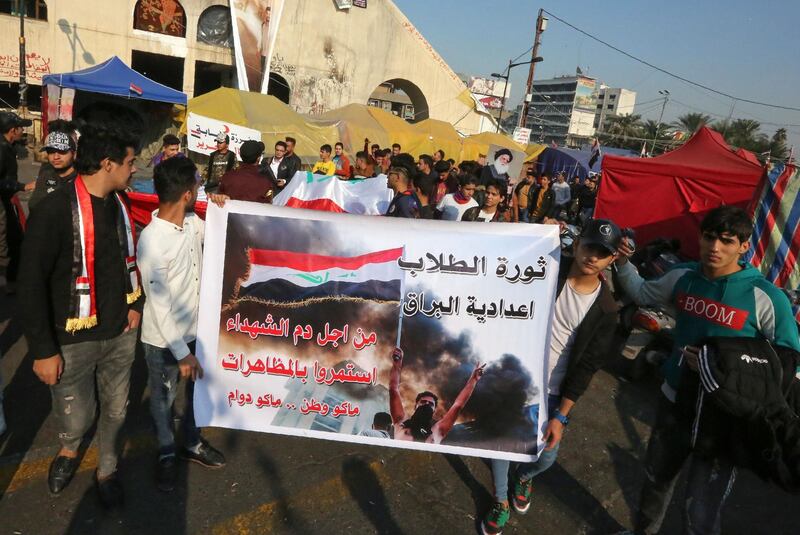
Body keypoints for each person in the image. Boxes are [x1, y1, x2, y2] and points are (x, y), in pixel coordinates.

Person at [614, 206, 800, 535]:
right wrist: (621, 263)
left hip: (725, 420)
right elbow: (644, 292)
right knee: (655, 482)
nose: (715, 247)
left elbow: (787, 357)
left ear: (744, 246)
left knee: (700, 511)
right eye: (709, 237)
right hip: (675, 402)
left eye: (726, 241)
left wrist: (726, 368)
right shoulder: (683, 276)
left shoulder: (766, 297)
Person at [19, 124, 143, 507]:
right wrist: (43, 349)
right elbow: (30, 284)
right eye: (129, 161)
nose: (134, 169)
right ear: (107, 164)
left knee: (117, 410)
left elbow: (134, 263)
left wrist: (134, 306)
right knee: (75, 416)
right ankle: (69, 449)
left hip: (120, 334)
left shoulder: (123, 206)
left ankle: (107, 470)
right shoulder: (53, 211)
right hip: (72, 339)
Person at [482, 219, 622, 535]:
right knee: (502, 444)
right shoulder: (546, 270)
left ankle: (525, 478)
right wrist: (536, 229)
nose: (592, 257)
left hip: (553, 391)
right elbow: (504, 257)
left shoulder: (606, 309)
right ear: (576, 245)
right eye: (589, 247)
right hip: (516, 377)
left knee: (547, 456)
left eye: (602, 253)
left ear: (611, 260)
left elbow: (587, 366)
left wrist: (561, 416)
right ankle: (501, 500)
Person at [138, 157, 225, 493]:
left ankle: (191, 443)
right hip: (163, 342)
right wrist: (182, 354)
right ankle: (165, 452)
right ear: (188, 193)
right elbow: (158, 306)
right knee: (162, 399)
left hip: (195, 334)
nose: (201, 189)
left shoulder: (192, 223)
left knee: (193, 396)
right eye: (199, 186)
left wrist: (219, 205)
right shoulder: (152, 240)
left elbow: (220, 227)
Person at [389, 347, 484, 443]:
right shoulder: (400, 423)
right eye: (423, 402)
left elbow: (458, 405)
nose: (426, 404)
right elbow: (393, 388)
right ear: (415, 406)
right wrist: (397, 363)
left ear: (434, 410)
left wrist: (474, 380)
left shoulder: (437, 431)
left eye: (430, 404)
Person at [0, 112, 35, 291]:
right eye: (21, 128)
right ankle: (8, 280)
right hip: (3, 200)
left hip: (7, 198)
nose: (23, 131)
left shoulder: (9, 146)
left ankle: (11, 280)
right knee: (8, 240)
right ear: (13, 130)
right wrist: (22, 186)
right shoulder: (2, 148)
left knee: (14, 237)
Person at [212, 140, 276, 204]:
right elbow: (268, 206)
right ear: (258, 158)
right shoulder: (265, 183)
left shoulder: (227, 177)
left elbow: (220, 200)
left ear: (240, 155)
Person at [29, 131, 78, 210]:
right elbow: (33, 205)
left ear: (74, 154)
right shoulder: (46, 174)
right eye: (51, 152)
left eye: (62, 151)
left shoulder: (82, 179)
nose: (56, 157)